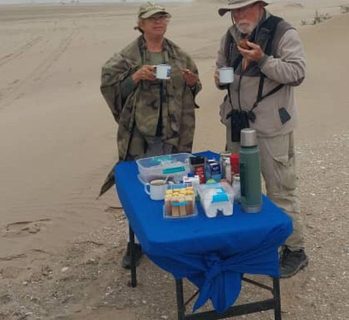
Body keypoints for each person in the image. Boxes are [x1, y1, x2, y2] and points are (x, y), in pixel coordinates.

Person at [99, 2, 201, 269]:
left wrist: (192, 83)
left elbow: (194, 86)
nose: (158, 22)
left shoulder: (179, 55)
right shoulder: (126, 57)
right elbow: (110, 87)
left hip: (173, 134)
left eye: (162, 18)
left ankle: (173, 237)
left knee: (176, 182)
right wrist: (134, 77)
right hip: (139, 137)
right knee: (138, 190)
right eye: (152, 19)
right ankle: (135, 244)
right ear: (141, 24)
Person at [214, 0, 307, 278]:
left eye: (244, 8)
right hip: (236, 125)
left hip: (271, 126)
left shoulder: (282, 32)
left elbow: (297, 73)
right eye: (234, 11)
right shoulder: (229, 37)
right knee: (238, 187)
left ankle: (295, 250)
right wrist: (220, 78)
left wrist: (262, 60)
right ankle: (249, 242)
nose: (239, 15)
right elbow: (220, 69)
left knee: (280, 191)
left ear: (259, 6)